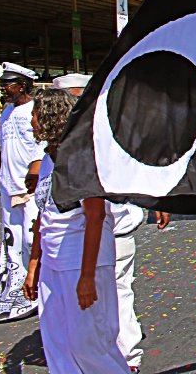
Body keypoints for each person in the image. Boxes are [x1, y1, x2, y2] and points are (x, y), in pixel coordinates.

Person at [50, 72, 170, 373]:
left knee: (114, 296)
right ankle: (116, 355)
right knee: (107, 301)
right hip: (92, 231)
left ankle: (125, 358)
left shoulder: (96, 133)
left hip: (112, 226)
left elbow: (141, 163)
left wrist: (158, 200)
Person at [22, 88, 131, 372]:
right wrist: (35, 264)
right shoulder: (47, 160)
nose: (31, 120)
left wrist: (86, 277)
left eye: (35, 114)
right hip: (53, 262)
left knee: (88, 343)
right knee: (57, 340)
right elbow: (42, 215)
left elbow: (95, 216)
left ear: (49, 116)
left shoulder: (82, 157)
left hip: (81, 259)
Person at [0, 62, 44, 322]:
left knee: (34, 241)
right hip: (8, 189)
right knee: (13, 243)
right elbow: (5, 151)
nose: (3, 89)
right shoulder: (7, 112)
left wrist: (35, 175)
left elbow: (42, 149)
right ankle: (16, 292)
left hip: (29, 190)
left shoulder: (35, 111)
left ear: (23, 85)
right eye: (2, 84)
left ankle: (40, 288)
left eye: (7, 84)